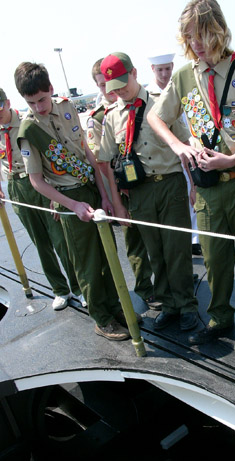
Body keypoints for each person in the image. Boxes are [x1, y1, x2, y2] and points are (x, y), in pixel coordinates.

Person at [148, 0, 235, 356]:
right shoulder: (185, 75)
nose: (196, 44)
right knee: (215, 257)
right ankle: (219, 318)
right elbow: (158, 117)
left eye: (201, 35)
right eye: (189, 38)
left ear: (217, 29)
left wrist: (233, 157)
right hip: (207, 186)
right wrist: (178, 146)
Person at [14, 61, 134, 341]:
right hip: (69, 200)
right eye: (31, 103)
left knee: (108, 256)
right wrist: (72, 206)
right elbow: (37, 182)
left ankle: (116, 308)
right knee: (87, 264)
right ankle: (102, 319)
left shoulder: (67, 107)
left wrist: (103, 192)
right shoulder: (28, 131)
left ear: (51, 89)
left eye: (43, 99)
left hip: (91, 189)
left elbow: (85, 152)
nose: (40, 107)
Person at [98, 52, 198, 331]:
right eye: (113, 88)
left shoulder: (160, 101)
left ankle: (187, 305)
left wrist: (193, 187)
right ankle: (168, 305)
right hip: (139, 192)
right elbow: (106, 162)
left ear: (134, 74)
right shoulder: (113, 117)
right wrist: (118, 205)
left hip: (169, 183)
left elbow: (184, 144)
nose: (119, 92)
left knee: (177, 249)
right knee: (155, 252)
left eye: (122, 84)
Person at [0, 85, 84, 311]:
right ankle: (60, 290)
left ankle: (79, 288)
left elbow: (46, 158)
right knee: (40, 243)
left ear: (8, 103)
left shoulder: (27, 123)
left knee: (61, 240)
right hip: (17, 186)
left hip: (41, 183)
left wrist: (54, 194)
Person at [89, 58, 158, 311]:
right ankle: (145, 288)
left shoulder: (141, 103)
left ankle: (167, 282)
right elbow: (102, 161)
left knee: (159, 237)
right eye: (102, 85)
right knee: (135, 241)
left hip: (144, 181)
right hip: (121, 184)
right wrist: (114, 197)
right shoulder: (100, 118)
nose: (109, 90)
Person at [147, 52, 202, 257]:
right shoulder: (149, 96)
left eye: (168, 69)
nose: (164, 73)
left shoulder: (180, 87)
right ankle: (186, 240)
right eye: (160, 70)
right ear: (153, 70)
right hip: (166, 154)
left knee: (192, 191)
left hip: (188, 147)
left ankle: (195, 238)